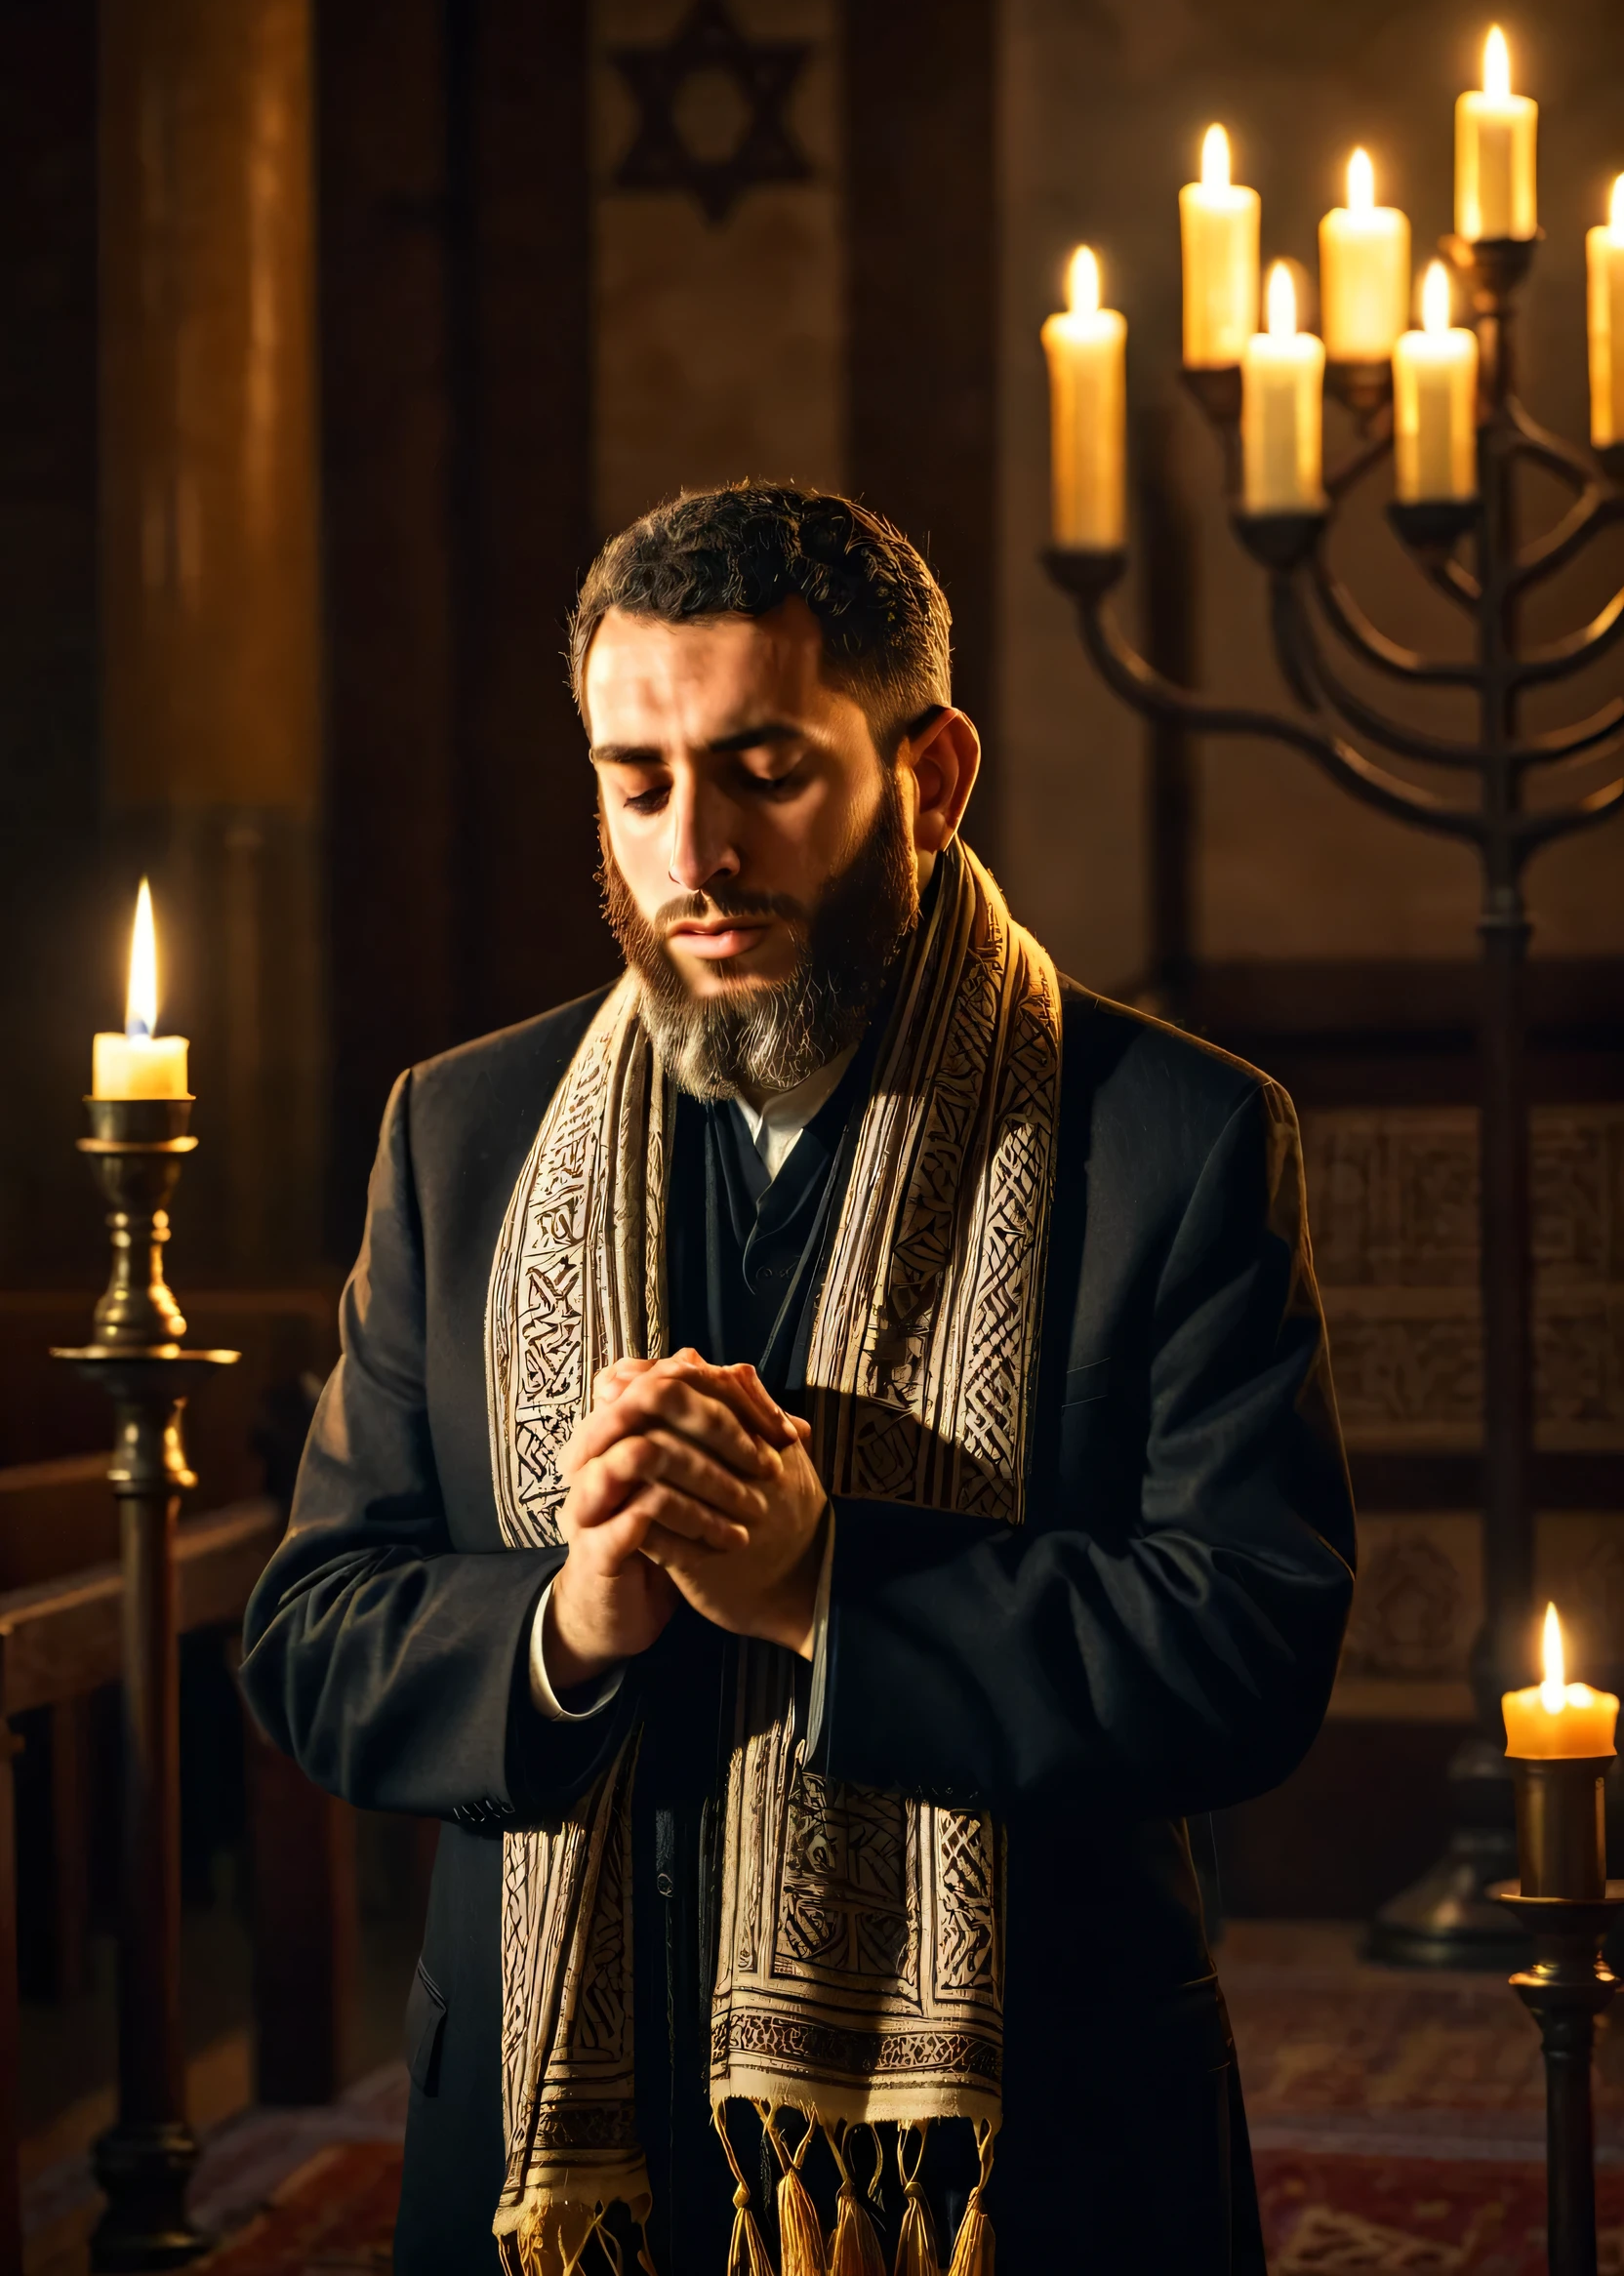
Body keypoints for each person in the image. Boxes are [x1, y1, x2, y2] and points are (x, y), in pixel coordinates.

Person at [241, 484, 1355, 2275]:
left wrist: (831, 1589)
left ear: (930, 777)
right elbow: (315, 1633)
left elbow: (1251, 1647)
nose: (695, 855)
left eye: (766, 772)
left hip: (1020, 2158)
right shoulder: (460, 1134)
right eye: (639, 781)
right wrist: (571, 1618)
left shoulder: (1179, 1138)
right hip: (547, 2161)